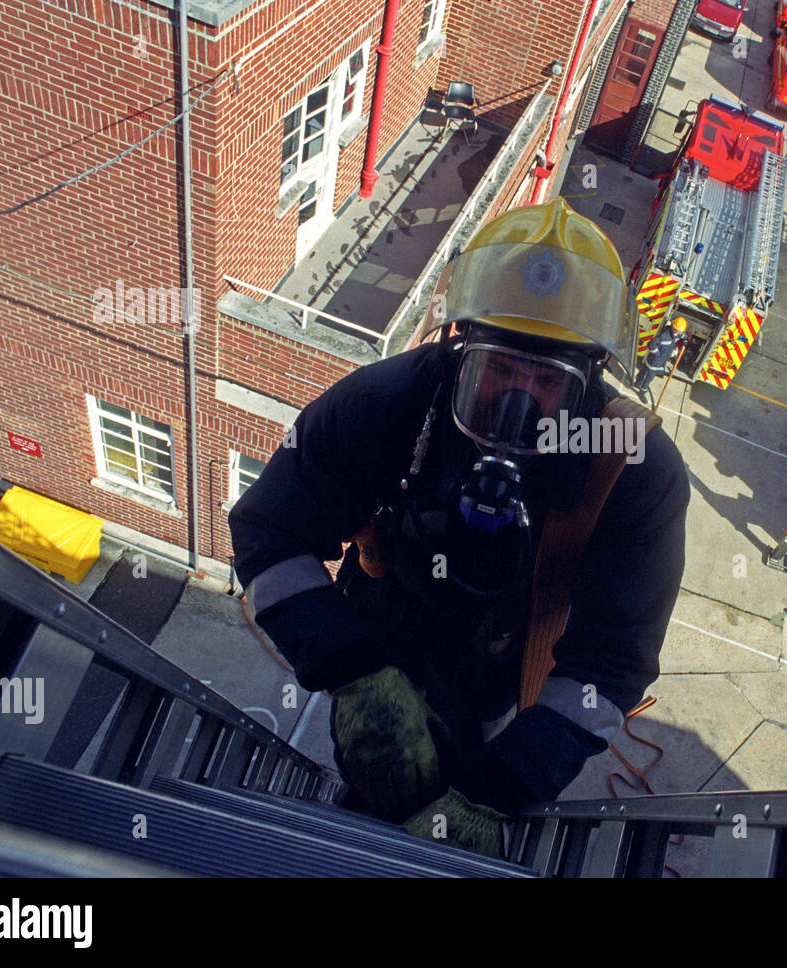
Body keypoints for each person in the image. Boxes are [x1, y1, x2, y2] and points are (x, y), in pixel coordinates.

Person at [229, 198, 690, 858]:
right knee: (376, 767)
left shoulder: (632, 469)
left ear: (589, 381)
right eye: (498, 369)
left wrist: (502, 785)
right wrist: (353, 671)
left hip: (506, 675)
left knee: (455, 799)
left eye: (546, 381)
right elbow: (270, 532)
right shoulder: (388, 404)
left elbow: (611, 661)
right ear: (457, 352)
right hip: (380, 627)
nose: (517, 401)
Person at [633, 317, 687, 398]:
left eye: (679, 330)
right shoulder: (664, 336)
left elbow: (682, 335)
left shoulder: (676, 335)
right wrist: (657, 355)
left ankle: (637, 382)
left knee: (644, 370)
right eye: (676, 329)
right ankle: (642, 391)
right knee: (649, 377)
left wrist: (686, 338)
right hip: (655, 361)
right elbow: (651, 345)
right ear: (672, 326)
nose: (677, 331)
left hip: (659, 360)